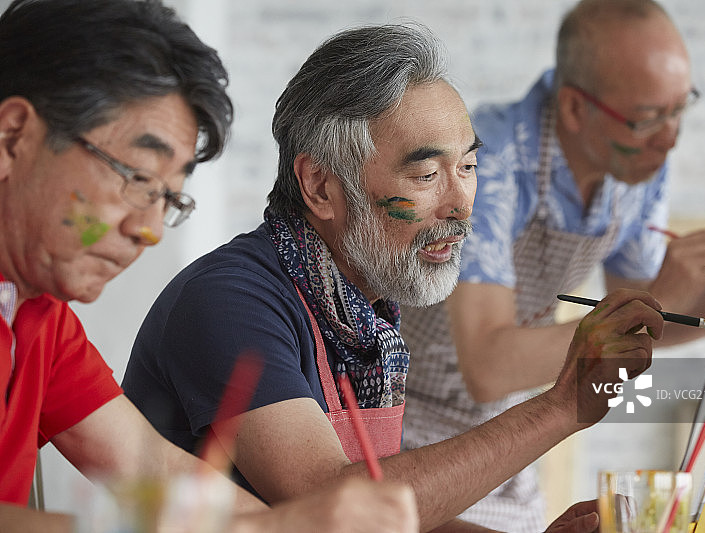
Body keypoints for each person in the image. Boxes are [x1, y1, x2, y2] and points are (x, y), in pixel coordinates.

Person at [122, 22, 666, 532]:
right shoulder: (228, 303)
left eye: (469, 168)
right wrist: (563, 405)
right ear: (319, 186)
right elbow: (332, 505)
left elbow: (387, 515)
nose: (460, 205)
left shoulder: (365, 310)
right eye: (427, 174)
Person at [0, 1, 420, 532]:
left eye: (168, 199)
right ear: (14, 137)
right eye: (136, 178)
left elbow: (151, 466)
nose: (147, 228)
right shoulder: (231, 295)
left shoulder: (40, 318)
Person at [399, 0, 705, 530]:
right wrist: (660, 299)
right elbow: (487, 366)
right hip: (406, 439)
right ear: (576, 109)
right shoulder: (488, 157)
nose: (670, 139)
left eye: (679, 109)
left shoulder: (636, 164)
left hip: (507, 436)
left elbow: (644, 325)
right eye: (647, 119)